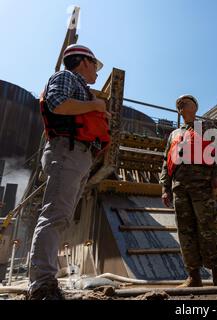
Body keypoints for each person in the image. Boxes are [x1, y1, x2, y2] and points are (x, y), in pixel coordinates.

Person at [28, 44, 109, 300]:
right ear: (84, 61)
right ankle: (42, 284)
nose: (97, 71)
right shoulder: (66, 78)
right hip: (67, 151)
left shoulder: (82, 88)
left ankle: (44, 280)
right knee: (54, 216)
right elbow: (58, 104)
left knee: (60, 217)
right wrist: (95, 106)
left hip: (78, 154)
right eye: (95, 64)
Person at [160, 94, 217, 288]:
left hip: (203, 185)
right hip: (179, 188)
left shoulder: (208, 127)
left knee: (208, 229)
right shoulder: (174, 134)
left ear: (195, 107)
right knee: (185, 232)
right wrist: (165, 187)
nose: (181, 104)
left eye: (186, 101)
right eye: (178, 104)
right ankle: (193, 276)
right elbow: (166, 161)